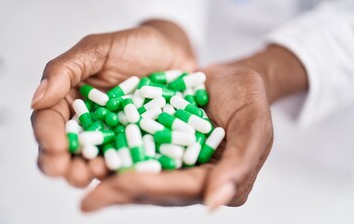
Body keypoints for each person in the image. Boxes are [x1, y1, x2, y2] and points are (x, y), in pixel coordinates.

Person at [30, 0, 354, 212]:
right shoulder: (146, 108)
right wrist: (168, 26)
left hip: (334, 128)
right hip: (209, 60)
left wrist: (272, 69)